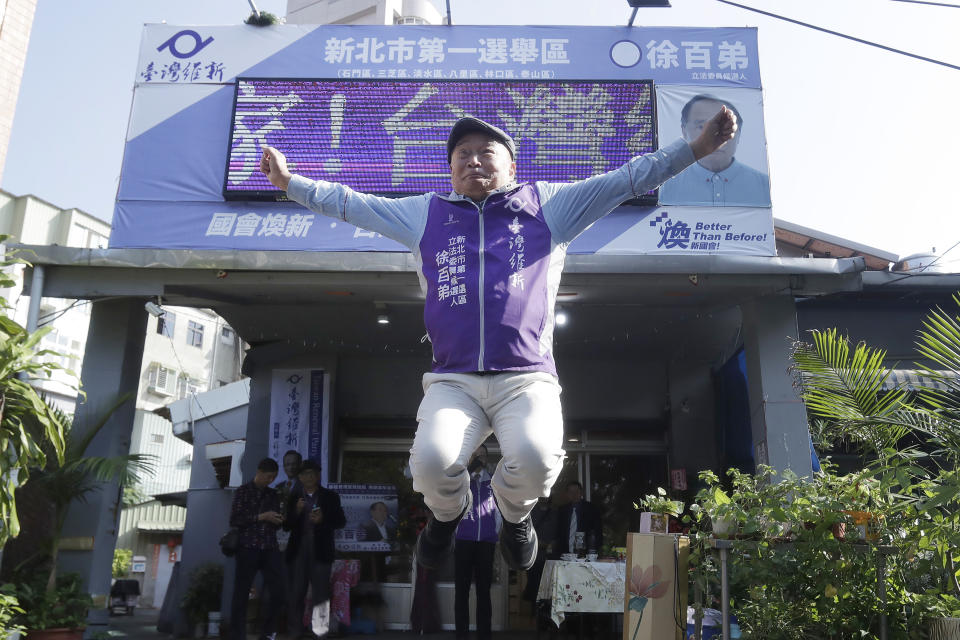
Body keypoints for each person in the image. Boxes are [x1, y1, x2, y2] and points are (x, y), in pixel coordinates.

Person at [260, 108, 737, 572]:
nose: (472, 161)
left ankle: (514, 515)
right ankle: (446, 517)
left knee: (535, 457)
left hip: (526, 378)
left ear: (512, 165)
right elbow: (350, 204)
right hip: (453, 380)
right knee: (428, 463)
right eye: (461, 155)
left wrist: (696, 149)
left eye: (485, 152)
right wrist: (289, 183)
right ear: (449, 170)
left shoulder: (549, 206)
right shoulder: (423, 214)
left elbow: (630, 178)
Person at [659, 94, 771, 207]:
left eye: (725, 128)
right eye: (702, 127)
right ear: (684, 131)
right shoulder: (663, 188)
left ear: (739, 134)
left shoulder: (765, 187)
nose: (715, 135)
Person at [283, 460, 347, 639]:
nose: (309, 477)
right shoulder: (294, 497)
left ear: (318, 476)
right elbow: (286, 525)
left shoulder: (330, 496)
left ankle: (320, 632)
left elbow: (340, 522)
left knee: (321, 593)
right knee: (296, 592)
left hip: (321, 549)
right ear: (300, 478)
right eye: (305, 474)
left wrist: (323, 520)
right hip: (298, 548)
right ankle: (295, 631)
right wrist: (296, 512)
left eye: (313, 474)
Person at [228, 457, 286, 640]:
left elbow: (274, 522)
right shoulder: (243, 491)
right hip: (248, 546)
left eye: (273, 477)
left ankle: (268, 633)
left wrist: (278, 520)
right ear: (259, 472)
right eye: (268, 476)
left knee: (278, 590)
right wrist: (262, 516)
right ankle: (238, 635)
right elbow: (235, 519)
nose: (270, 480)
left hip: (269, 546)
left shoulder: (273, 494)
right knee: (241, 593)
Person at [453, 445, 500, 640]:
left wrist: (492, 535)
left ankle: (484, 634)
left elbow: (499, 514)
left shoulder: (494, 483)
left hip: (486, 544)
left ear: (487, 458)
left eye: (482, 455)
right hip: (464, 541)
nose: (479, 458)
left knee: (483, 591)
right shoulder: (461, 483)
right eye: (475, 455)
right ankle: (461, 635)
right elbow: (450, 505)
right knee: (461, 591)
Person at [553, 481, 603, 557]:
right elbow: (558, 533)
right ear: (567, 494)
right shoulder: (562, 510)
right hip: (564, 554)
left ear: (581, 492)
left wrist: (594, 551)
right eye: (571, 492)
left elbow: (597, 532)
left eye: (577, 491)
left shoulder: (592, 509)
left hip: (586, 554)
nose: (574, 494)